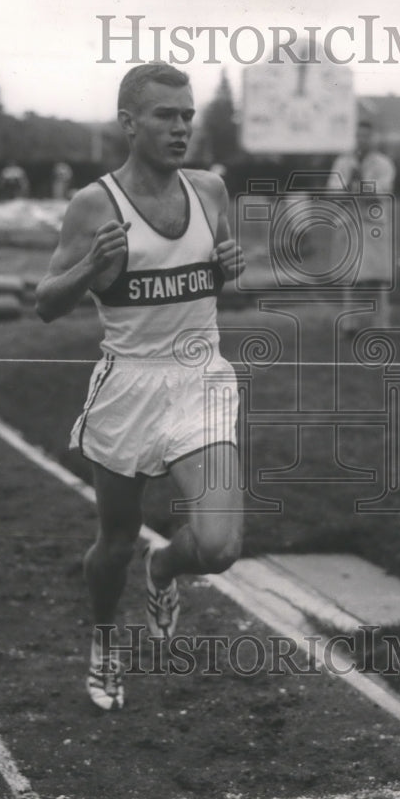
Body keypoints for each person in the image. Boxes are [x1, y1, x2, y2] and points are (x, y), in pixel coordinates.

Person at [35, 63, 246, 711]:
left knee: (217, 546)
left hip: (199, 378)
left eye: (186, 114)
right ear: (128, 123)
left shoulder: (210, 190)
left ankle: (165, 569)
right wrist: (92, 269)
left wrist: (228, 270)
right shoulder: (93, 205)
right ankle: (103, 638)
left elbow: (214, 274)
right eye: (165, 115)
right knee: (114, 543)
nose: (181, 126)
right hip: (128, 387)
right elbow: (45, 301)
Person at [328, 118, 395, 329]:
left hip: (373, 224)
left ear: (372, 139)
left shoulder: (383, 164)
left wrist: (360, 185)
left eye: (366, 136)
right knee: (350, 277)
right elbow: (333, 190)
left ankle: (381, 323)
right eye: (358, 136)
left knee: (378, 278)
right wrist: (350, 185)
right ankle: (350, 324)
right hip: (349, 223)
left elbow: (382, 191)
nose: (362, 140)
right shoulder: (343, 162)